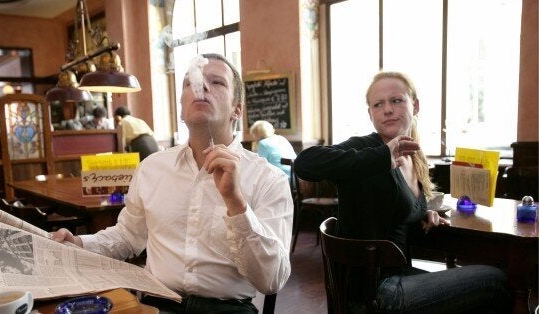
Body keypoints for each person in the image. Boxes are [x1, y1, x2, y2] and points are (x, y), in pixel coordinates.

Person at [52, 53, 293, 313]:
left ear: (237, 109)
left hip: (226, 308)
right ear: (181, 109)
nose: (201, 87)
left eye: (217, 82)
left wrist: (236, 202)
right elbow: (128, 237)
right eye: (191, 83)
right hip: (155, 302)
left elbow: (271, 280)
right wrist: (80, 244)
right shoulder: (152, 169)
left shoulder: (268, 179)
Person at [294, 71, 509, 313]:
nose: (387, 110)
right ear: (371, 114)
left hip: (398, 278)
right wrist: (382, 156)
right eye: (378, 104)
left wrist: (425, 211)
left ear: (414, 106)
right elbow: (305, 163)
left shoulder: (413, 158)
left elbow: (394, 210)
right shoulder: (367, 148)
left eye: (396, 100)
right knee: (495, 280)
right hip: (375, 292)